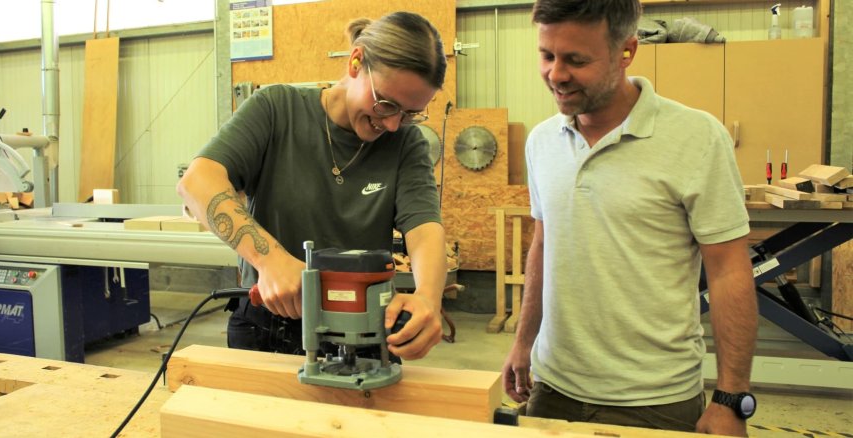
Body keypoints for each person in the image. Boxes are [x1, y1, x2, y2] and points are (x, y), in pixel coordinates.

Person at [501, 1, 758, 436]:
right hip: (553, 389)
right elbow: (545, 245)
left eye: (576, 60)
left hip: (655, 400)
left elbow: (729, 270)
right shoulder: (542, 142)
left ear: (627, 51)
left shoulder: (696, 138)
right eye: (547, 55)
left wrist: (731, 399)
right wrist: (524, 342)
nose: (556, 74)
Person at [177, 11, 447, 361]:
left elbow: (424, 228)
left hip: (362, 330)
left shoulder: (406, 144)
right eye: (387, 104)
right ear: (355, 62)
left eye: (410, 113)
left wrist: (428, 298)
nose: (394, 124)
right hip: (266, 327)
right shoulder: (276, 110)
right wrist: (271, 262)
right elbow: (198, 181)